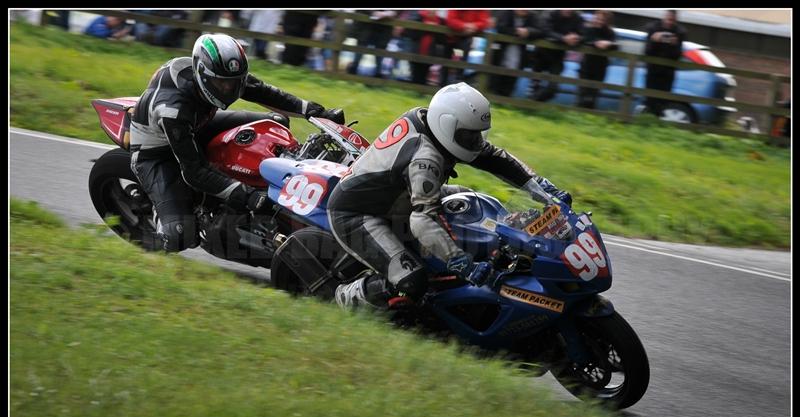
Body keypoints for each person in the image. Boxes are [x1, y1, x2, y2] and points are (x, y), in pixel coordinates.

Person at [327, 82, 571, 310]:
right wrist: (461, 262)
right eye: (469, 136)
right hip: (359, 214)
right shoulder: (426, 159)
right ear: (447, 124)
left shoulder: (433, 122)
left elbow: (496, 158)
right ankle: (341, 298)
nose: (475, 141)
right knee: (413, 280)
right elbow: (422, 220)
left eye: (477, 134)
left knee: (473, 203)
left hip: (401, 198)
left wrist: (542, 188)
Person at [128, 33, 344, 252]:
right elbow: (194, 172)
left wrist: (316, 112)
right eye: (222, 84)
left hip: (198, 125)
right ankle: (158, 219)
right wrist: (246, 194)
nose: (229, 89)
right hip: (157, 153)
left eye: (235, 83)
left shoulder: (224, 75)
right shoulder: (173, 110)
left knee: (275, 122)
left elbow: (263, 91)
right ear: (202, 75)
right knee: (180, 237)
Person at [530, 9, 583, 102]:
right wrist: (563, 38)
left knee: (553, 88)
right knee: (534, 86)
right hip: (541, 54)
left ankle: (533, 104)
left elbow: (584, 35)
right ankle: (529, 106)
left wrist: (576, 38)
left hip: (558, 57)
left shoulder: (577, 18)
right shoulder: (549, 13)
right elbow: (545, 30)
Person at [642, 10, 687, 115]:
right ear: (664, 18)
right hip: (653, 70)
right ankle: (648, 118)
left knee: (663, 101)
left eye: (672, 20)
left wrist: (674, 44)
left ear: (676, 21)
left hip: (667, 73)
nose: (669, 22)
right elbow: (647, 52)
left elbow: (677, 56)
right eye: (668, 19)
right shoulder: (653, 29)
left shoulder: (679, 33)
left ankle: (656, 119)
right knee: (650, 98)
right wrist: (654, 40)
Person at [490, 10, 542, 97]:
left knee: (512, 78)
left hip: (520, 54)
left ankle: (505, 99)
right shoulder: (506, 13)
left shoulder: (532, 16)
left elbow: (540, 31)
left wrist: (528, 32)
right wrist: (517, 32)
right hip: (501, 51)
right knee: (495, 78)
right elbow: (500, 27)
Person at [576, 10, 617, 109]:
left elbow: (615, 45)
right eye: (597, 18)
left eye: (602, 19)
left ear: (606, 21)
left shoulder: (609, 32)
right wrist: (596, 43)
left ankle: (589, 113)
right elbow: (585, 40)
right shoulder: (588, 29)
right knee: (583, 92)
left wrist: (608, 44)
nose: (599, 21)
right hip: (586, 65)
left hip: (600, 67)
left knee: (593, 95)